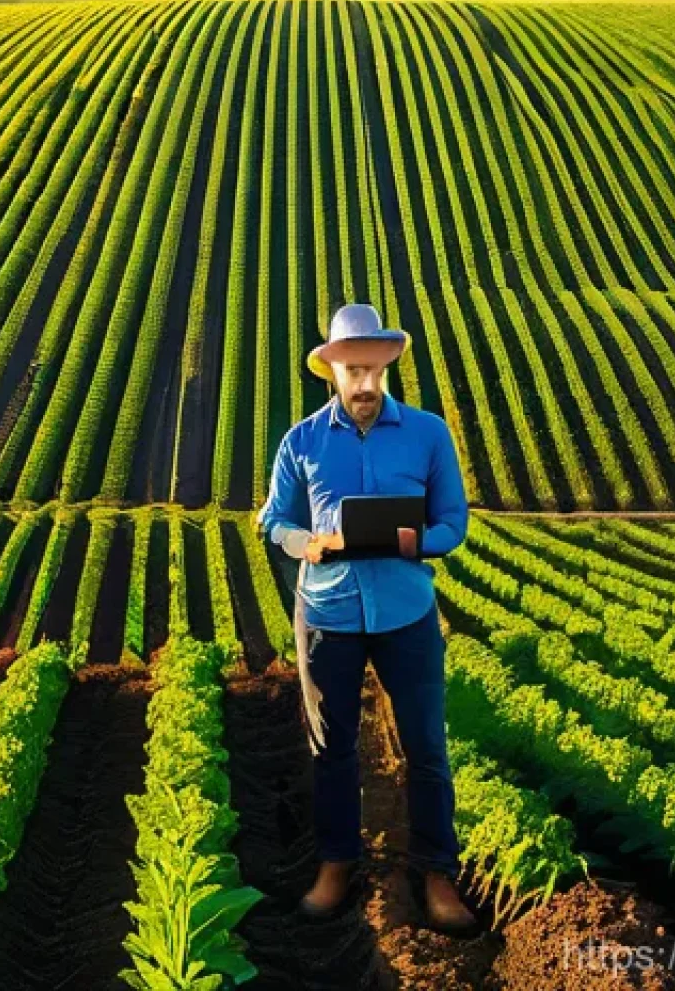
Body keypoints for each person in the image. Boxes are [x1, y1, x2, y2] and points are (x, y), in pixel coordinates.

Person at [255, 302, 478, 935]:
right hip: (327, 612)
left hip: (406, 611)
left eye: (373, 370)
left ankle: (437, 873)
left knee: (426, 749)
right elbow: (274, 520)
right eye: (352, 369)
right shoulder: (301, 441)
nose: (363, 383)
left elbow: (453, 522)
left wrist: (419, 543)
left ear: (386, 369)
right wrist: (309, 544)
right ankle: (336, 864)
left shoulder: (428, 433)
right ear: (333, 371)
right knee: (333, 749)